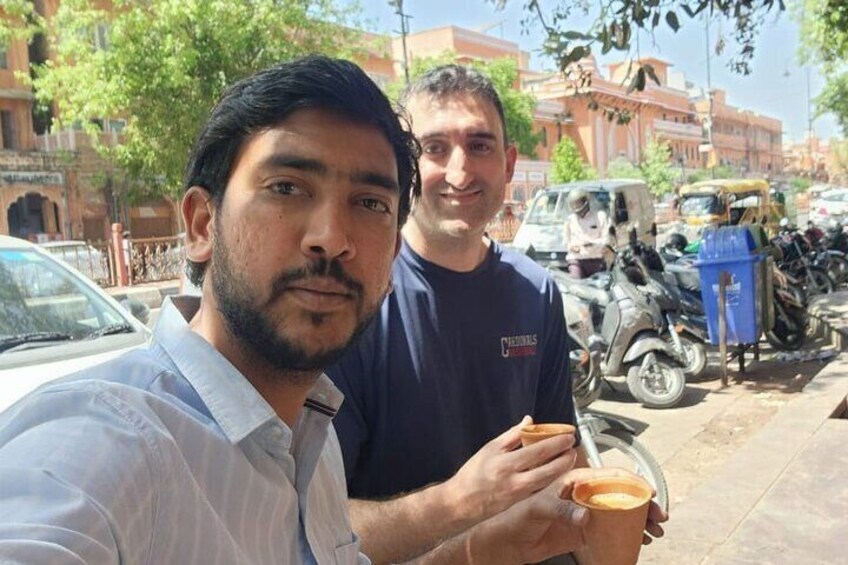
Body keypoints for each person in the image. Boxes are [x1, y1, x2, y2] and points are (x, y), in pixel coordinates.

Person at [0, 56, 627, 565]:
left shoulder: (307, 439)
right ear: (200, 224)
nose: (331, 237)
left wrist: (487, 549)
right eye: (287, 187)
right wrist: (460, 504)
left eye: (369, 202)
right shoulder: (106, 442)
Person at [327, 65, 666, 564]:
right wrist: (460, 502)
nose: (460, 172)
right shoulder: (350, 297)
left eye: (479, 145)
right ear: (404, 165)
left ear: (508, 164)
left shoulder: (537, 290)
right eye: (434, 148)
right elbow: (318, 527)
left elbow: (558, 454)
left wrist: (596, 503)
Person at [563, 188, 614, 278]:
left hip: (596, 260)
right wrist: (572, 247)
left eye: (579, 207)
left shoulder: (600, 217)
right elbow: (566, 242)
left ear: (586, 204)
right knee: (576, 283)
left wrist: (592, 244)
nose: (579, 213)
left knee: (599, 284)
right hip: (577, 260)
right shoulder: (569, 220)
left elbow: (606, 240)